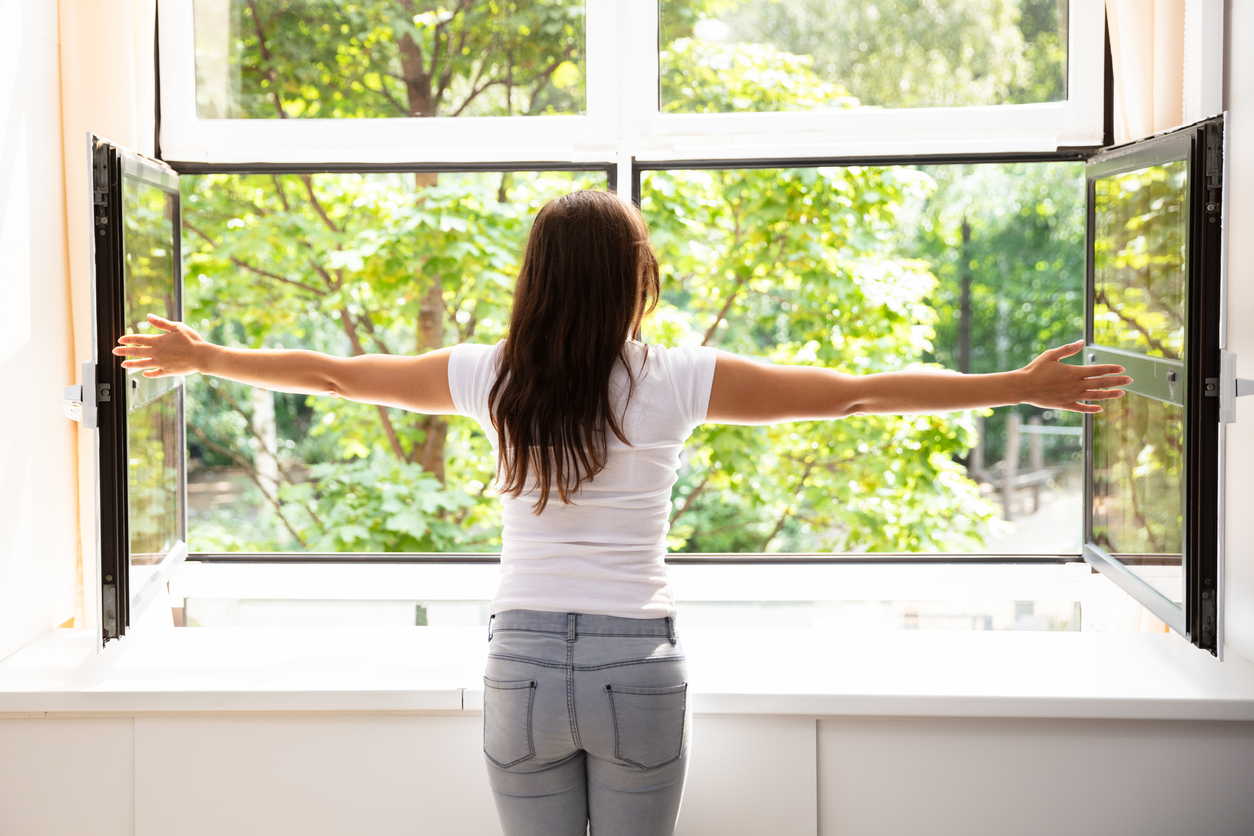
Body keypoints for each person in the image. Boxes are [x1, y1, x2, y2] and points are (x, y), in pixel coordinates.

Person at [114, 188, 1131, 836]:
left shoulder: (487, 372)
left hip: (517, 667)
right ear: (635, 280)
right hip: (635, 667)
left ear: (535, 280)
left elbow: (334, 377)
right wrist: (1015, 384)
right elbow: (855, 390)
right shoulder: (676, 378)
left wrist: (207, 357)